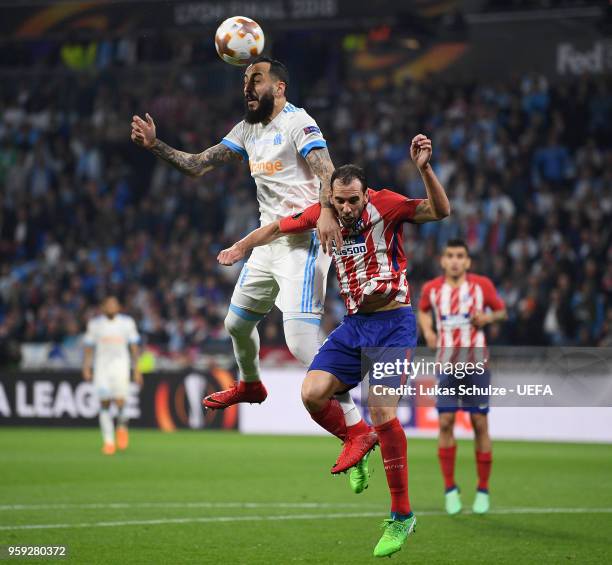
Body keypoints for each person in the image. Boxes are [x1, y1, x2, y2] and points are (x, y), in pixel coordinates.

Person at [131, 56, 372, 492]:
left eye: (255, 79)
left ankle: (356, 427)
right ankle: (250, 383)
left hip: (301, 243)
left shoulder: (299, 122)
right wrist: (155, 145)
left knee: (301, 346)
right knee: (235, 323)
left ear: (279, 87)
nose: (247, 86)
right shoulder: (246, 130)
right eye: (244, 79)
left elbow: (328, 172)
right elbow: (198, 164)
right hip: (266, 242)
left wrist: (325, 215)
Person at [218, 134, 450, 558]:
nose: (346, 209)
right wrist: (240, 246)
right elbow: (275, 226)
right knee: (310, 393)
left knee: (382, 411)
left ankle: (402, 515)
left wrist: (425, 170)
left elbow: (440, 210)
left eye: (352, 201)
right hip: (356, 324)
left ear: (366, 194)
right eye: (339, 201)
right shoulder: (324, 216)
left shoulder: (388, 206)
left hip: (394, 324)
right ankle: (354, 441)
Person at [417, 239, 507, 515]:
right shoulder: (431, 289)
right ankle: (450, 489)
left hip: (476, 365)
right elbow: (421, 310)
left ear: (467, 262)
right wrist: (429, 331)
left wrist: (488, 319)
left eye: (460, 256)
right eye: (450, 256)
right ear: (443, 261)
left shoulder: (482, 286)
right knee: (445, 422)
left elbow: (502, 311)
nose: (455, 260)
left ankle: (482, 489)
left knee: (480, 423)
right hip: (446, 365)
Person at [82, 296, 142, 455]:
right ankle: (108, 442)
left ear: (118, 307)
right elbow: (88, 347)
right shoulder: (95, 324)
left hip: (121, 367)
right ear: (103, 307)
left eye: (114, 304)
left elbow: (134, 347)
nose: (111, 307)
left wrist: (137, 369)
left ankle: (122, 427)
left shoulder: (127, 323)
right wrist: (87, 367)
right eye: (108, 305)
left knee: (121, 402)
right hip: (102, 369)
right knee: (104, 403)